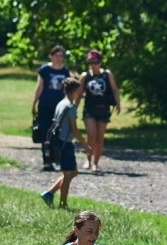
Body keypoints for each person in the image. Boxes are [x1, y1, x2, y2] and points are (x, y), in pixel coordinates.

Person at [41, 77, 91, 209]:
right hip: (66, 144)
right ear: (75, 91)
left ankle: (49, 193)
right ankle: (63, 204)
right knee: (68, 175)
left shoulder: (61, 103)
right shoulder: (71, 107)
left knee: (73, 172)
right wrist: (86, 146)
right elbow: (74, 129)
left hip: (59, 142)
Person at [78, 49, 121, 174]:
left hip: (103, 108)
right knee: (91, 135)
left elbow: (114, 90)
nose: (93, 65)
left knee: (99, 137)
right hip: (89, 109)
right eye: (91, 62)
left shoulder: (107, 74)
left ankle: (95, 163)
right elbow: (79, 93)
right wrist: (73, 107)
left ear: (100, 62)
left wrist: (118, 103)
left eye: (96, 62)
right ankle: (88, 159)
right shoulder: (85, 76)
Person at [31, 45, 70, 170]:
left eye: (61, 56)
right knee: (45, 132)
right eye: (56, 56)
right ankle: (46, 160)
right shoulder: (44, 70)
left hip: (59, 106)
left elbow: (66, 90)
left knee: (58, 132)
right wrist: (34, 103)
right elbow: (40, 87)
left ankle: (57, 158)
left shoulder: (65, 72)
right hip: (45, 104)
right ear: (51, 56)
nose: (58, 58)